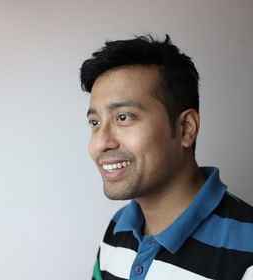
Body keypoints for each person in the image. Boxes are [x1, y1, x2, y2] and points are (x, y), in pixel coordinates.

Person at [80, 35, 253, 280]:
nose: (100, 143)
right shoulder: (116, 230)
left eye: (123, 117)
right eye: (95, 123)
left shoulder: (248, 251)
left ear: (186, 128)